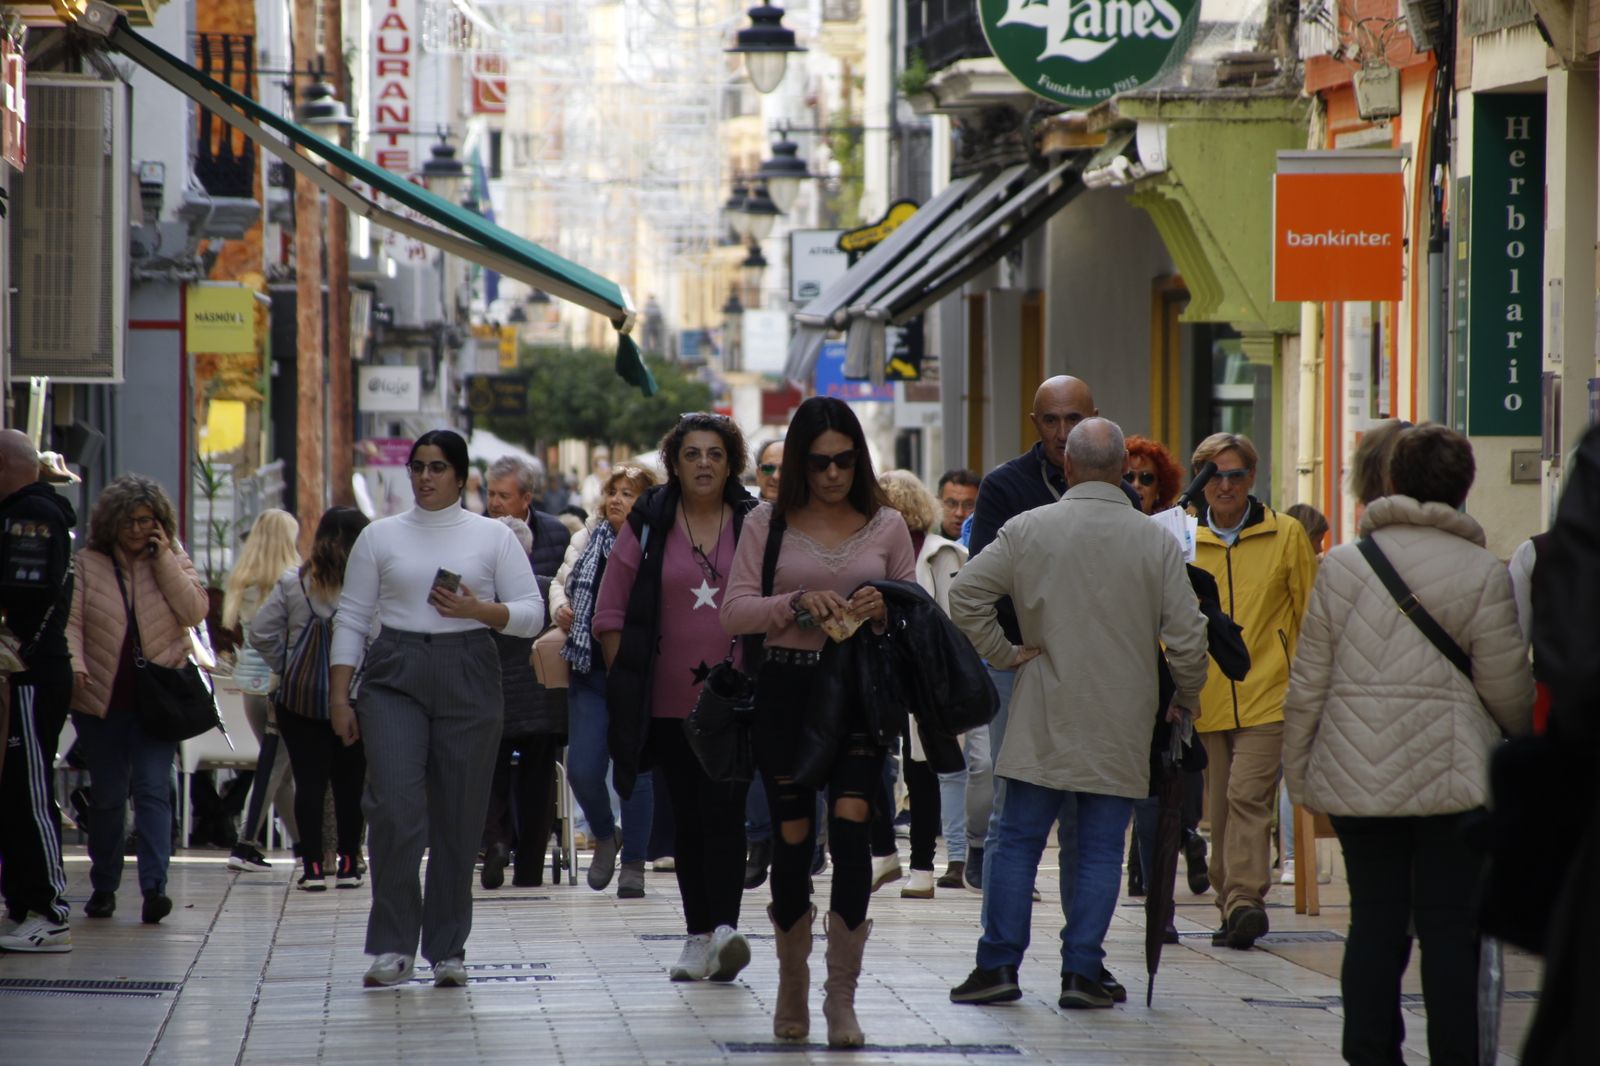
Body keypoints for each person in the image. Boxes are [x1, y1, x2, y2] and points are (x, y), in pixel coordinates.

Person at [1284, 424, 1532, 1065]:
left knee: (1374, 922)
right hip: (1454, 781)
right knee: (1451, 930)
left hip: (1357, 776)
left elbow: (1308, 682)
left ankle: (1370, 1054)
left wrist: (1301, 772)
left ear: (1391, 481)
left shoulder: (1341, 566)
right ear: (1463, 488)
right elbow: (1507, 690)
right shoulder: (1482, 571)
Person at [947, 418, 1209, 1010]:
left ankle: (998, 966)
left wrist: (1005, 653)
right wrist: (1185, 698)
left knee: (1016, 841)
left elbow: (965, 596)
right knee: (1096, 848)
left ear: (1067, 467)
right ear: (1122, 472)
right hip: (1124, 713)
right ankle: (1082, 971)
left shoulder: (1027, 528)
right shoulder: (1154, 541)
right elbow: (1188, 638)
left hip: (1043, 706)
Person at [723, 396, 916, 1048]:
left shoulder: (886, 525)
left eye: (843, 461)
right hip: (788, 692)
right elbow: (734, 612)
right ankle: (791, 982)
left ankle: (841, 997)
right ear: (799, 464)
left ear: (858, 459)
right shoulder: (767, 523)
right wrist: (798, 602)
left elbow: (911, 611)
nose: (832, 474)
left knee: (855, 829)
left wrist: (883, 606)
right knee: (793, 838)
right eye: (818, 462)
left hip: (859, 695)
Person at [329, 429, 543, 988]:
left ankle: (448, 947)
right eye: (418, 467)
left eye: (438, 467)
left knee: (459, 816)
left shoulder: (492, 538)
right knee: (394, 806)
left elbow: (531, 615)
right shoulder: (379, 537)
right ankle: (394, 944)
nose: (425, 477)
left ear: (460, 476)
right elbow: (351, 616)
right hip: (394, 671)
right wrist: (339, 693)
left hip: (469, 668)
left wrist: (479, 609)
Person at [595, 413, 759, 982]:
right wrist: (629, 682)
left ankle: (725, 934)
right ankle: (697, 936)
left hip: (736, 704)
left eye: (715, 453)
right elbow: (611, 611)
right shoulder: (648, 519)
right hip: (665, 704)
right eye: (692, 454)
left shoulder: (755, 520)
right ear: (674, 462)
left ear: (731, 462)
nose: (704, 464)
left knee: (727, 814)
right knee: (688, 819)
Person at [967, 376, 1127, 906]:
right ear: (1035, 423)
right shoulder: (1006, 487)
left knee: (1088, 818)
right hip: (1024, 667)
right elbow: (977, 587)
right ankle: (998, 957)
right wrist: (1003, 653)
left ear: (1094, 418)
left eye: (1074, 420)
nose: (1063, 432)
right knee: (1014, 812)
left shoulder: (1121, 496)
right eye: (1052, 420)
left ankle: (1082, 961)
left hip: (1097, 673)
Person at [1188, 432, 1317, 949]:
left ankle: (1245, 899)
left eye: (1235, 474)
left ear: (1252, 479)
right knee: (1217, 809)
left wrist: (1312, 689)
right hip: (1205, 694)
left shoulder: (1286, 535)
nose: (1225, 485)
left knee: (1248, 796)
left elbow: (1311, 616)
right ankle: (1230, 903)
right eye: (1214, 475)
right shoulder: (1182, 539)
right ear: (1200, 481)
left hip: (1270, 691)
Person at [67, 474, 209, 925]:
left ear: (159, 522)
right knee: (108, 798)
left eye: (145, 520)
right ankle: (105, 885)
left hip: (157, 701)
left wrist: (164, 556)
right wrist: (76, 665)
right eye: (128, 520)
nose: (135, 529)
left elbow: (194, 611)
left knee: (152, 791)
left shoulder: (171, 558)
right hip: (102, 700)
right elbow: (71, 623)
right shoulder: (88, 564)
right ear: (111, 522)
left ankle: (154, 888)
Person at [551, 464, 660, 896]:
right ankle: (604, 833)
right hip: (589, 668)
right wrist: (560, 606)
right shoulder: (587, 537)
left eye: (628, 493)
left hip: (640, 671)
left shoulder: (658, 541)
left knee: (636, 770)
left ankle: (633, 862)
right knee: (582, 768)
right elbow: (561, 582)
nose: (616, 499)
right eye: (612, 491)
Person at [250, 507, 372, 891]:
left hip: (299, 702)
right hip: (351, 698)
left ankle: (314, 867)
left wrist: (288, 665)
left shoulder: (293, 583)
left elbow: (260, 633)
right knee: (351, 784)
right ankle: (350, 863)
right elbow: (377, 640)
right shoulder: (368, 587)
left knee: (309, 783)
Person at [1120, 435, 1210, 910]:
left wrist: (1184, 682)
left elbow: (1184, 612)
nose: (1136, 485)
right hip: (1114, 668)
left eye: (1146, 478)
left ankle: (1160, 894)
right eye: (1128, 477)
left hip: (1161, 669)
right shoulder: (1106, 528)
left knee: (1162, 779)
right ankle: (1156, 861)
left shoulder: (1175, 531)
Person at [0, 430, 78, 952]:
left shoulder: (32, 516)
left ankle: (50, 911)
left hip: (29, 671)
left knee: (30, 791)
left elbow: (23, 589)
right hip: (26, 671)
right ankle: (25, 902)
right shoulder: (33, 512)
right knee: (15, 791)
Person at [878, 469, 972, 897]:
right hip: (878, 673)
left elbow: (953, 622)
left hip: (924, 675)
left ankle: (922, 869)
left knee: (922, 771)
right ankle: (883, 855)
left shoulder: (943, 553)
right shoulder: (871, 552)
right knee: (872, 763)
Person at [479, 456, 569, 890]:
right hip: (526, 685)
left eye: (503, 495)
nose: (494, 503)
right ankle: (524, 862)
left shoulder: (556, 533)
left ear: (527, 497)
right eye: (490, 494)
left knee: (506, 768)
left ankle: (498, 844)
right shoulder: (473, 530)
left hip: (522, 679)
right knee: (518, 770)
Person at [221, 508, 302, 874]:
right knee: (275, 769)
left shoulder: (242, 580)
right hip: (278, 686)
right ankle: (245, 842)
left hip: (248, 686)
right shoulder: (292, 582)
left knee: (278, 769)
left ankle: (303, 846)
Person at [936, 469, 980, 541]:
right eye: (951, 504)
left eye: (969, 505)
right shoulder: (924, 548)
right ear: (938, 503)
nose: (959, 513)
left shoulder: (990, 548)